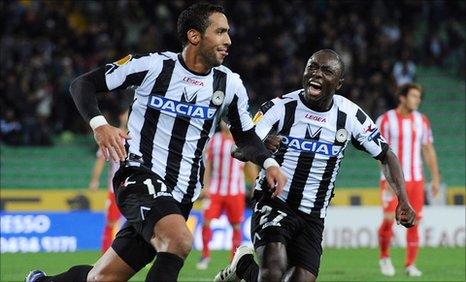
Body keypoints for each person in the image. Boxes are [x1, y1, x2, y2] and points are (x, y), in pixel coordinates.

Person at [25, 3, 286, 282]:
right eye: (220, 32)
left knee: (102, 278)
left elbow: (245, 136)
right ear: (194, 36)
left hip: (181, 195)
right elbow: (82, 84)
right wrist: (99, 125)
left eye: (228, 33)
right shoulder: (153, 66)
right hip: (139, 177)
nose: (228, 40)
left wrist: (268, 163)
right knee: (179, 241)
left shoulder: (229, 85)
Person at [214, 49, 416, 282]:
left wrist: (403, 198)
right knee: (273, 269)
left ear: (338, 83)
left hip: (313, 216)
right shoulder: (280, 108)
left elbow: (386, 155)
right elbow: (238, 147)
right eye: (312, 67)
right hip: (274, 202)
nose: (316, 74)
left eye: (326, 70)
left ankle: (244, 268)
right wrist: (260, 145)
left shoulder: (349, 115)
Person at [376, 83, 440, 277]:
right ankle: (385, 257)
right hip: (393, 181)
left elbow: (428, 149)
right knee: (388, 220)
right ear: (402, 97)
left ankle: (410, 264)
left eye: (419, 97)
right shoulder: (385, 120)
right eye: (414, 96)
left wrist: (435, 177)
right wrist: (387, 177)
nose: (417, 100)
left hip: (416, 179)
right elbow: (378, 151)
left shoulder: (422, 121)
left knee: (414, 222)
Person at [196, 121, 258, 270]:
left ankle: (233, 259)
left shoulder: (242, 140)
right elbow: (208, 164)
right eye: (225, 121)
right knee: (206, 221)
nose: (226, 123)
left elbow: (249, 164)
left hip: (235, 191)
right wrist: (206, 186)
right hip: (215, 190)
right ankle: (205, 256)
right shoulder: (214, 140)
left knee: (236, 225)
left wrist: (255, 183)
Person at [88, 110, 128, 253]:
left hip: (136, 188)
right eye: (126, 113)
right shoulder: (111, 136)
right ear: (121, 116)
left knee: (141, 223)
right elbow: (100, 160)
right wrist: (94, 181)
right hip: (115, 189)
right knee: (111, 222)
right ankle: (105, 256)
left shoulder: (140, 137)